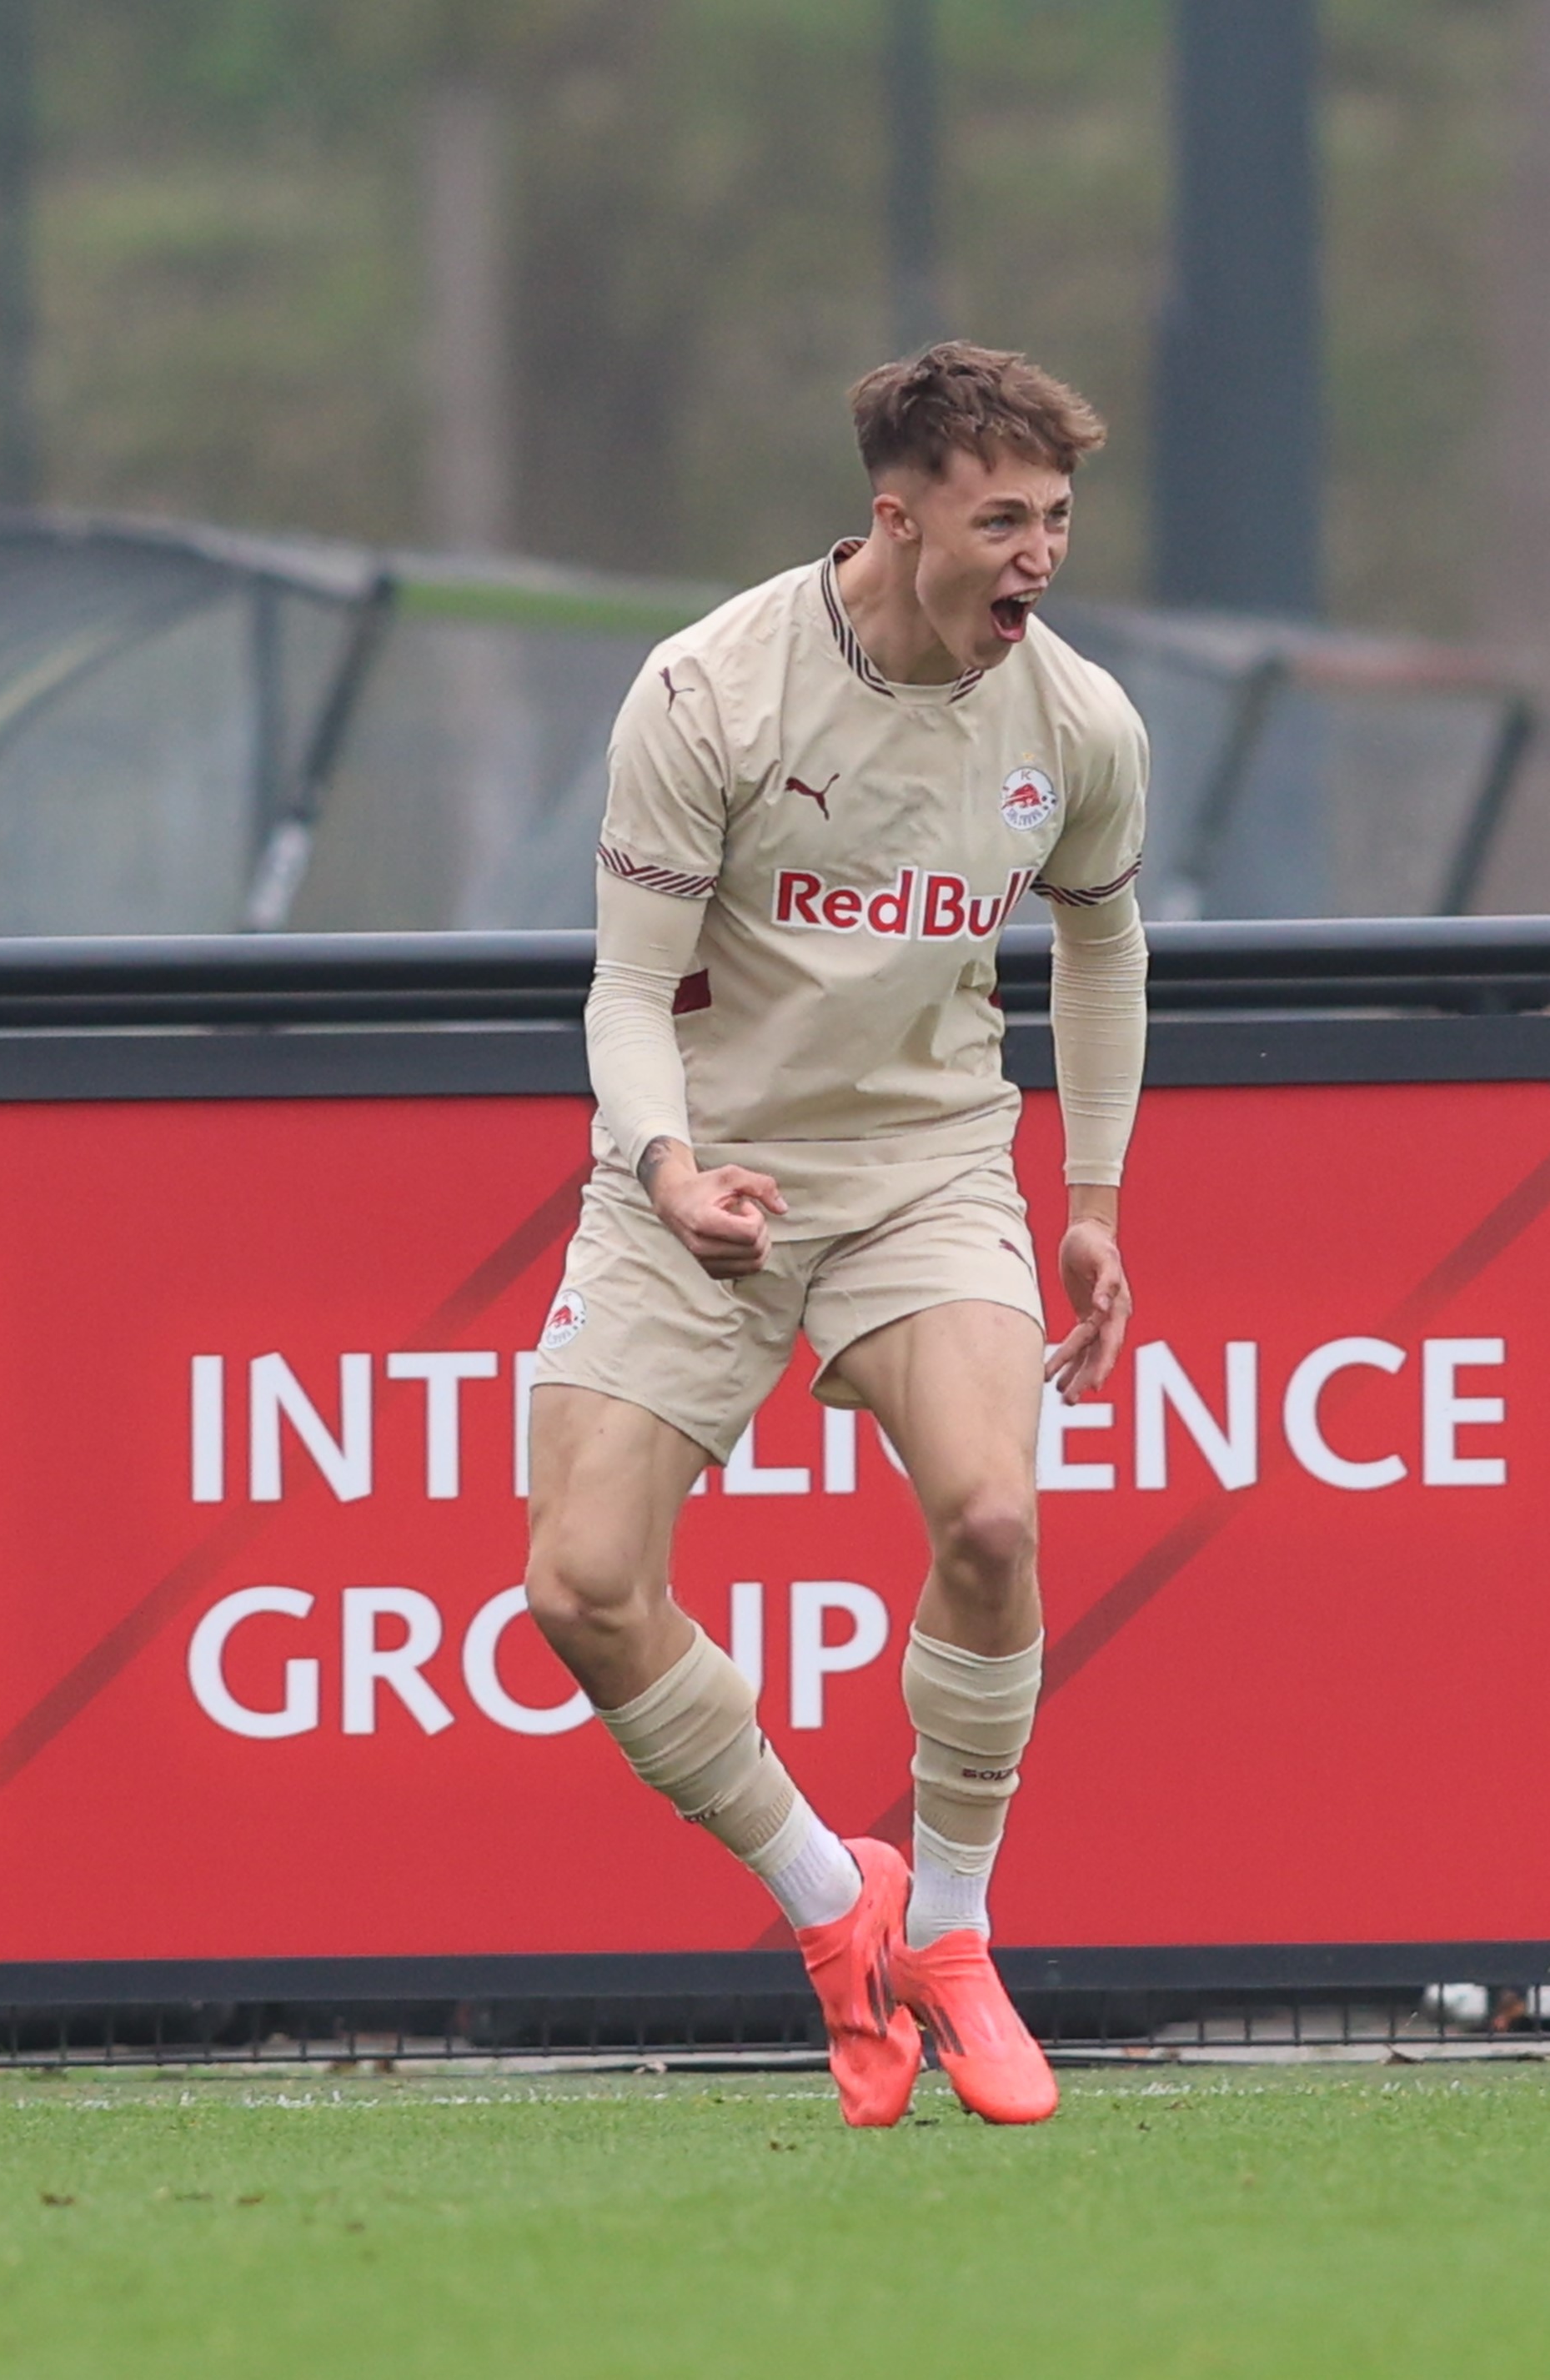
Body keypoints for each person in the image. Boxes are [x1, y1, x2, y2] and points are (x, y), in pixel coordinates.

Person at [520, 342, 1150, 2129]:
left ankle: (948, 1927)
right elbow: (626, 990)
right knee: (575, 1586)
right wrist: (664, 1171)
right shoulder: (709, 691)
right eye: (1003, 519)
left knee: (994, 1510)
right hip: (698, 1168)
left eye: (1057, 521)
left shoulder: (1078, 722)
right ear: (897, 517)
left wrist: (1089, 1201)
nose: (1039, 555)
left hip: (927, 1166)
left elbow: (1102, 948)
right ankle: (829, 1900)